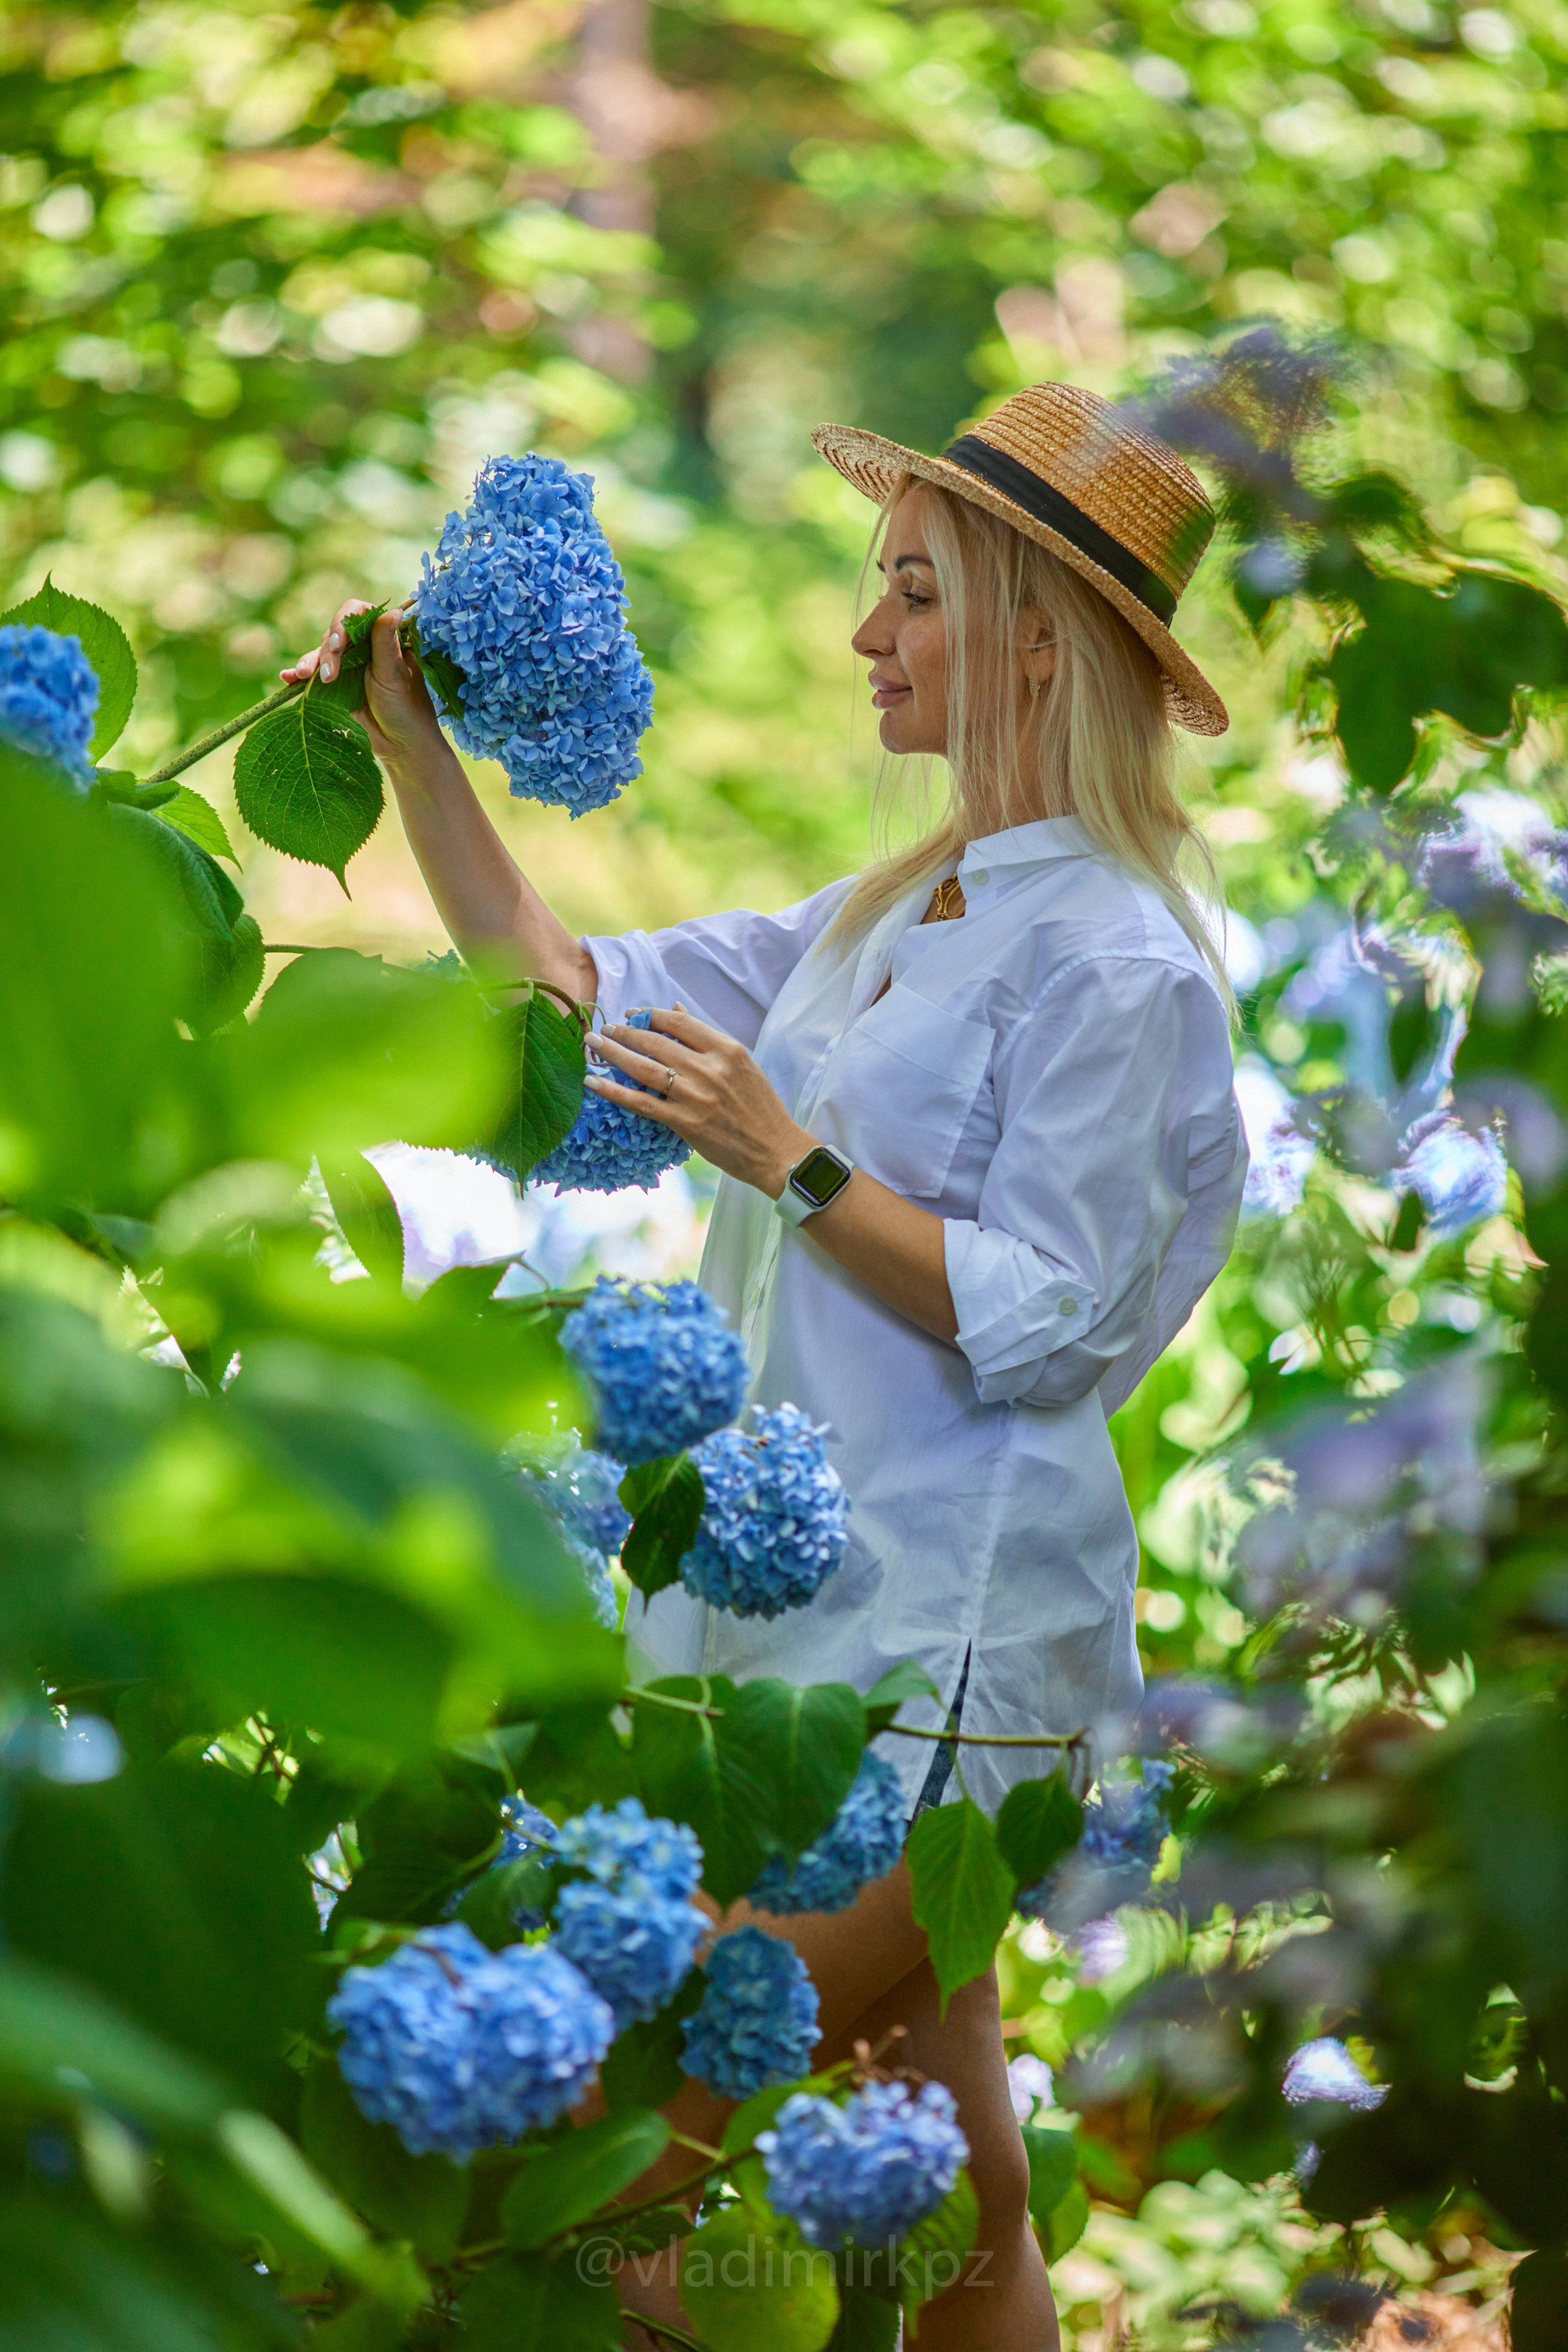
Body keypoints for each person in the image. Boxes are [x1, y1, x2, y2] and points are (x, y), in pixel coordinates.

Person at [284, 381, 1248, 2351]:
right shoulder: (893, 910)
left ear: (1038, 639)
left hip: (951, 1663)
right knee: (951, 2195)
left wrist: (789, 1160)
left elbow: (1055, 1320)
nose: (865, 636)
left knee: (631, 2152)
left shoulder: (1123, 966)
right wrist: (412, 756)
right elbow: (578, 1007)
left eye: (913, 593)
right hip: (812, 1636)